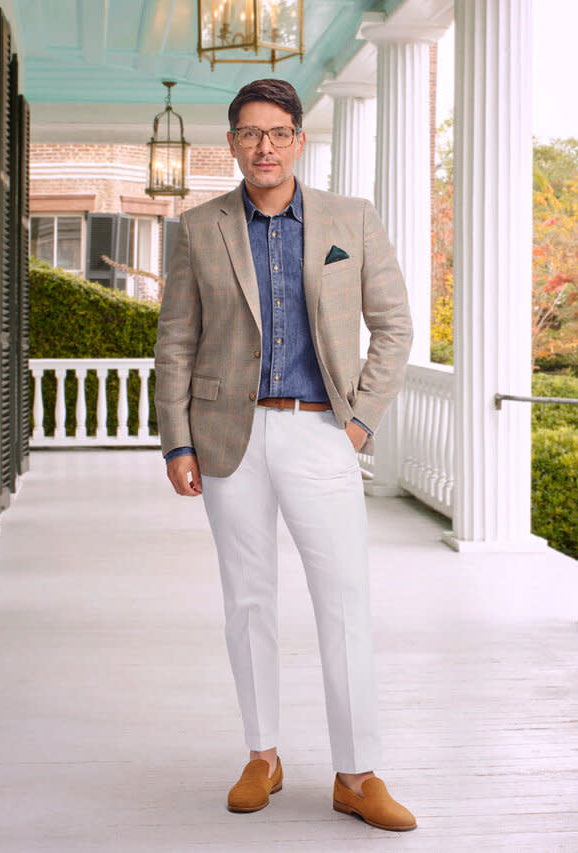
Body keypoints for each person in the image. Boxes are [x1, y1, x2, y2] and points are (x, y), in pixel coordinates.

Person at [154, 78, 416, 832]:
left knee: (343, 603)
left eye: (277, 132)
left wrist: (359, 423)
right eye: (248, 133)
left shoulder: (350, 220)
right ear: (232, 142)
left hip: (319, 432)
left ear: (297, 139)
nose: (263, 146)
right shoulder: (199, 227)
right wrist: (177, 437)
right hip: (227, 436)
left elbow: (395, 328)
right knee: (247, 601)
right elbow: (176, 341)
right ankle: (262, 754)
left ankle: (357, 772)